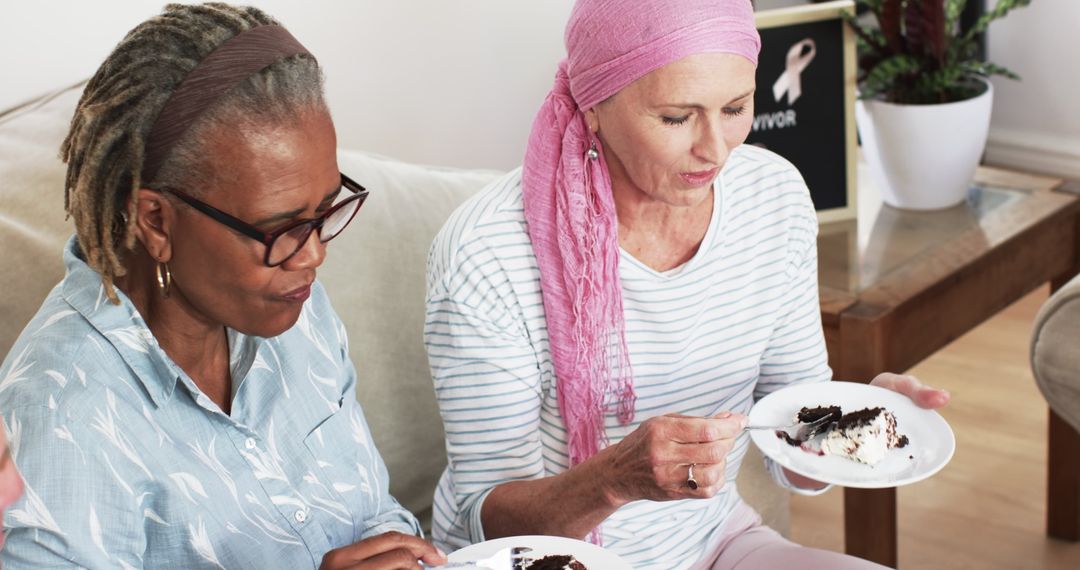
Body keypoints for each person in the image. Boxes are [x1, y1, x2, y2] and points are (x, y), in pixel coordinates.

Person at [423, 0, 949, 568]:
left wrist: (850, 427)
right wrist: (612, 481)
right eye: (677, 118)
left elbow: (790, 439)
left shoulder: (774, 198)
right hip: (542, 560)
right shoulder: (487, 253)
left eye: (736, 108)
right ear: (592, 106)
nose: (717, 150)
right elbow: (487, 519)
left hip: (714, 544)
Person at [0, 4, 446, 569]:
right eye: (280, 228)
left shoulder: (291, 307)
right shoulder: (58, 417)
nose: (313, 254)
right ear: (157, 222)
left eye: (325, 211)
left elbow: (370, 509)